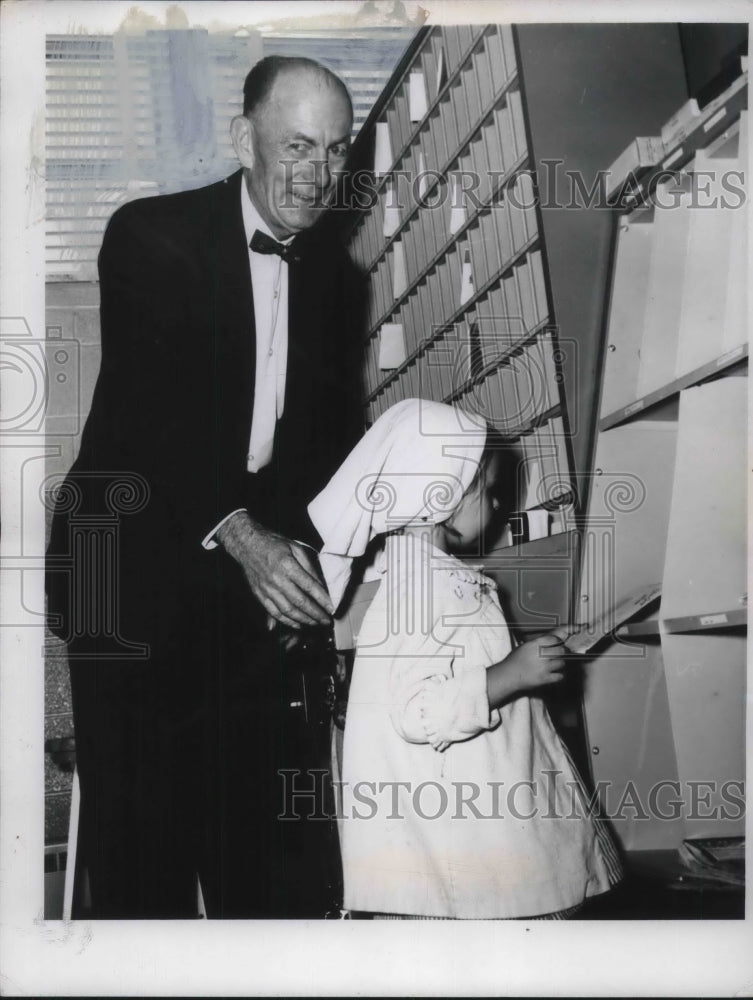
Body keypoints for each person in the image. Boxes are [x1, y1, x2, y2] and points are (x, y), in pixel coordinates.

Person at [46, 56, 364, 918]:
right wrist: (248, 540)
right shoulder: (151, 235)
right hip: (129, 559)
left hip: (236, 573)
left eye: (336, 151)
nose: (317, 173)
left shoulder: (338, 281)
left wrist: (299, 546)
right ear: (243, 139)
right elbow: (155, 417)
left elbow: (320, 446)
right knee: (141, 853)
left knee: (256, 849)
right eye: (297, 145)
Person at [309, 399, 622, 919]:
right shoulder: (423, 588)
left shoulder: (430, 579)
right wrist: (511, 674)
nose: (498, 506)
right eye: (490, 491)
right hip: (467, 837)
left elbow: (463, 659)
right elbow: (418, 711)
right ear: (442, 494)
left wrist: (532, 654)